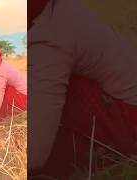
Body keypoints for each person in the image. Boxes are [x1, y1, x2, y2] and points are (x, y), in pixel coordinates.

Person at [29, 0, 137, 178]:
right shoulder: (60, 10)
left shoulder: (48, 37)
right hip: (124, 100)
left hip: (130, 120)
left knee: (64, 91)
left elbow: (34, 156)